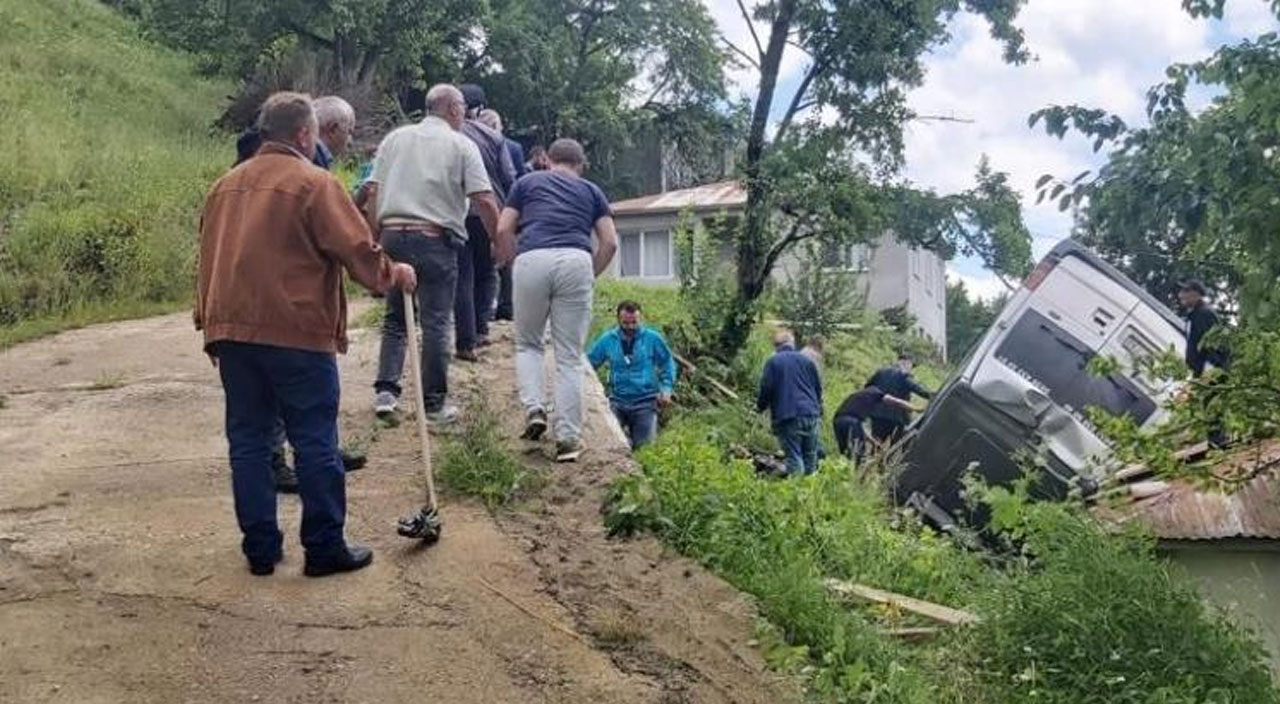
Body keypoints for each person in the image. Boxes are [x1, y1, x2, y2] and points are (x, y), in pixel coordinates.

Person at [195, 91, 417, 577]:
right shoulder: (314, 183)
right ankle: (323, 547)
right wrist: (392, 275)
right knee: (314, 437)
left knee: (249, 440)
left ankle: (260, 549)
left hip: (232, 332)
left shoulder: (224, 186)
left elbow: (206, 258)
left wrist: (205, 321)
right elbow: (356, 248)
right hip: (296, 331)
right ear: (303, 134)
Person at [235, 95, 364, 491]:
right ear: (315, 132)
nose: (349, 140)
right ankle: (323, 533)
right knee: (305, 412)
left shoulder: (235, 176)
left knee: (248, 427)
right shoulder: (313, 169)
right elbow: (339, 236)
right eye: (350, 131)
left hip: (240, 309)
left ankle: (260, 542)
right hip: (292, 309)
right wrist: (387, 274)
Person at [365, 84, 508, 423]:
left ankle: (387, 391)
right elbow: (485, 199)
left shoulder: (395, 139)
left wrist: (374, 239)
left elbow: (373, 190)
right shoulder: (461, 144)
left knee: (396, 317)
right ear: (455, 109)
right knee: (436, 321)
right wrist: (498, 240)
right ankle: (433, 403)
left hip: (393, 234)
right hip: (434, 238)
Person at [498, 138, 618, 462]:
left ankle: (535, 408)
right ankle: (568, 440)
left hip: (532, 257)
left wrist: (513, 264)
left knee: (529, 344)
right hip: (576, 259)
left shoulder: (526, 183)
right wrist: (589, 273)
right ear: (580, 165)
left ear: (548, 161)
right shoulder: (592, 191)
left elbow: (503, 227)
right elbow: (609, 242)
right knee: (569, 356)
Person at [453, 84, 516, 361]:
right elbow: (508, 177)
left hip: (455, 211)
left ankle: (464, 339)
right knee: (487, 272)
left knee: (463, 275)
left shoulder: (447, 136)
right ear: (478, 108)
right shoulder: (491, 136)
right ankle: (480, 329)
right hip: (488, 210)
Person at [588, 301, 677, 450]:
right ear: (618, 320)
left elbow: (667, 362)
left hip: (645, 401)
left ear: (640, 319)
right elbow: (590, 364)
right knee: (608, 444)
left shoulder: (652, 338)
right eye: (625, 323)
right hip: (617, 401)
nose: (630, 327)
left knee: (645, 448)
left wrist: (666, 387)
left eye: (634, 322)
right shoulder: (608, 340)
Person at [478, 108, 528, 323]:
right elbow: (514, 179)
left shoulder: (469, 142)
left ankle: (485, 308)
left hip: (476, 206)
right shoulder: (511, 147)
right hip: (503, 205)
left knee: (480, 259)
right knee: (507, 255)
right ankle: (506, 306)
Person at [756, 331, 823, 476]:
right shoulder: (807, 361)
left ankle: (797, 491)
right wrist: (818, 408)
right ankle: (811, 492)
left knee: (794, 456)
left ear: (776, 346)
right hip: (811, 413)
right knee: (810, 456)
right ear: (792, 344)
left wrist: (760, 407)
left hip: (788, 415)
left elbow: (767, 388)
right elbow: (818, 388)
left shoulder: (774, 361)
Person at [1177, 279, 1230, 447]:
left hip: (1211, 367)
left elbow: (1213, 342)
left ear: (1195, 293)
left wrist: (1209, 367)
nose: (1181, 296)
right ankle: (1215, 438)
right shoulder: (1193, 315)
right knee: (1208, 402)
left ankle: (1218, 439)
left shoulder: (1204, 314)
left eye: (1185, 292)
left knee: (1213, 403)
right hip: (1202, 368)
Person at [832, 386, 915, 466]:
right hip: (852, 422)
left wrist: (874, 442)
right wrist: (915, 408)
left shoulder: (860, 397)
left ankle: (843, 472)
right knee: (858, 455)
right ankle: (858, 475)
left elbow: (861, 429)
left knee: (845, 453)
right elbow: (896, 401)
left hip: (837, 421)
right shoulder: (876, 392)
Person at [864, 353, 932, 445]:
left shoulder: (881, 372)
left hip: (877, 415)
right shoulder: (905, 378)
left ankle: (875, 457)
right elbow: (922, 392)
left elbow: (867, 387)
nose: (911, 368)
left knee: (876, 443)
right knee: (896, 447)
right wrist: (936, 394)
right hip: (897, 419)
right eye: (911, 365)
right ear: (907, 363)